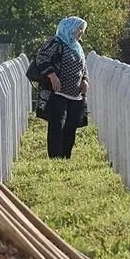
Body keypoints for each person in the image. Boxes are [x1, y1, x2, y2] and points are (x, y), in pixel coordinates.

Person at [30, 16, 89, 159]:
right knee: (57, 125)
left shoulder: (77, 46)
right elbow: (42, 58)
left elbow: (83, 66)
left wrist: (85, 79)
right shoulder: (55, 42)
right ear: (69, 28)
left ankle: (66, 156)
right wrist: (52, 75)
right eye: (78, 28)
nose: (81, 32)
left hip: (75, 94)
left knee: (71, 125)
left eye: (82, 29)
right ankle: (55, 157)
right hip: (58, 92)